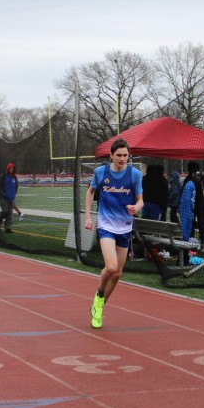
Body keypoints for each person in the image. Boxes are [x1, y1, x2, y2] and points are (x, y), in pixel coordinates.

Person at [84, 138, 143, 329]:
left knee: (117, 274)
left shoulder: (134, 174)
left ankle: (99, 306)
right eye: (118, 155)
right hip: (106, 225)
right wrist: (88, 217)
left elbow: (141, 200)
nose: (122, 159)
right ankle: (99, 294)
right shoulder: (101, 172)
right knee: (110, 267)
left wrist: (136, 207)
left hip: (124, 227)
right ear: (111, 155)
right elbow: (90, 192)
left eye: (125, 155)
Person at [178, 161, 201, 241]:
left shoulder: (188, 181)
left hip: (190, 207)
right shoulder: (193, 182)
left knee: (189, 224)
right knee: (190, 224)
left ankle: (190, 238)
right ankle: (192, 239)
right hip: (192, 207)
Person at [0, 162, 19, 233]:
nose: (11, 169)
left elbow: (16, 186)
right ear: (8, 169)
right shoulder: (3, 177)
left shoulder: (14, 177)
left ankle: (8, 228)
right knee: (5, 210)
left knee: (10, 214)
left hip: (11, 198)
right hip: (3, 197)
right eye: (10, 168)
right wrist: (3, 194)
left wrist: (14, 194)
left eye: (12, 168)